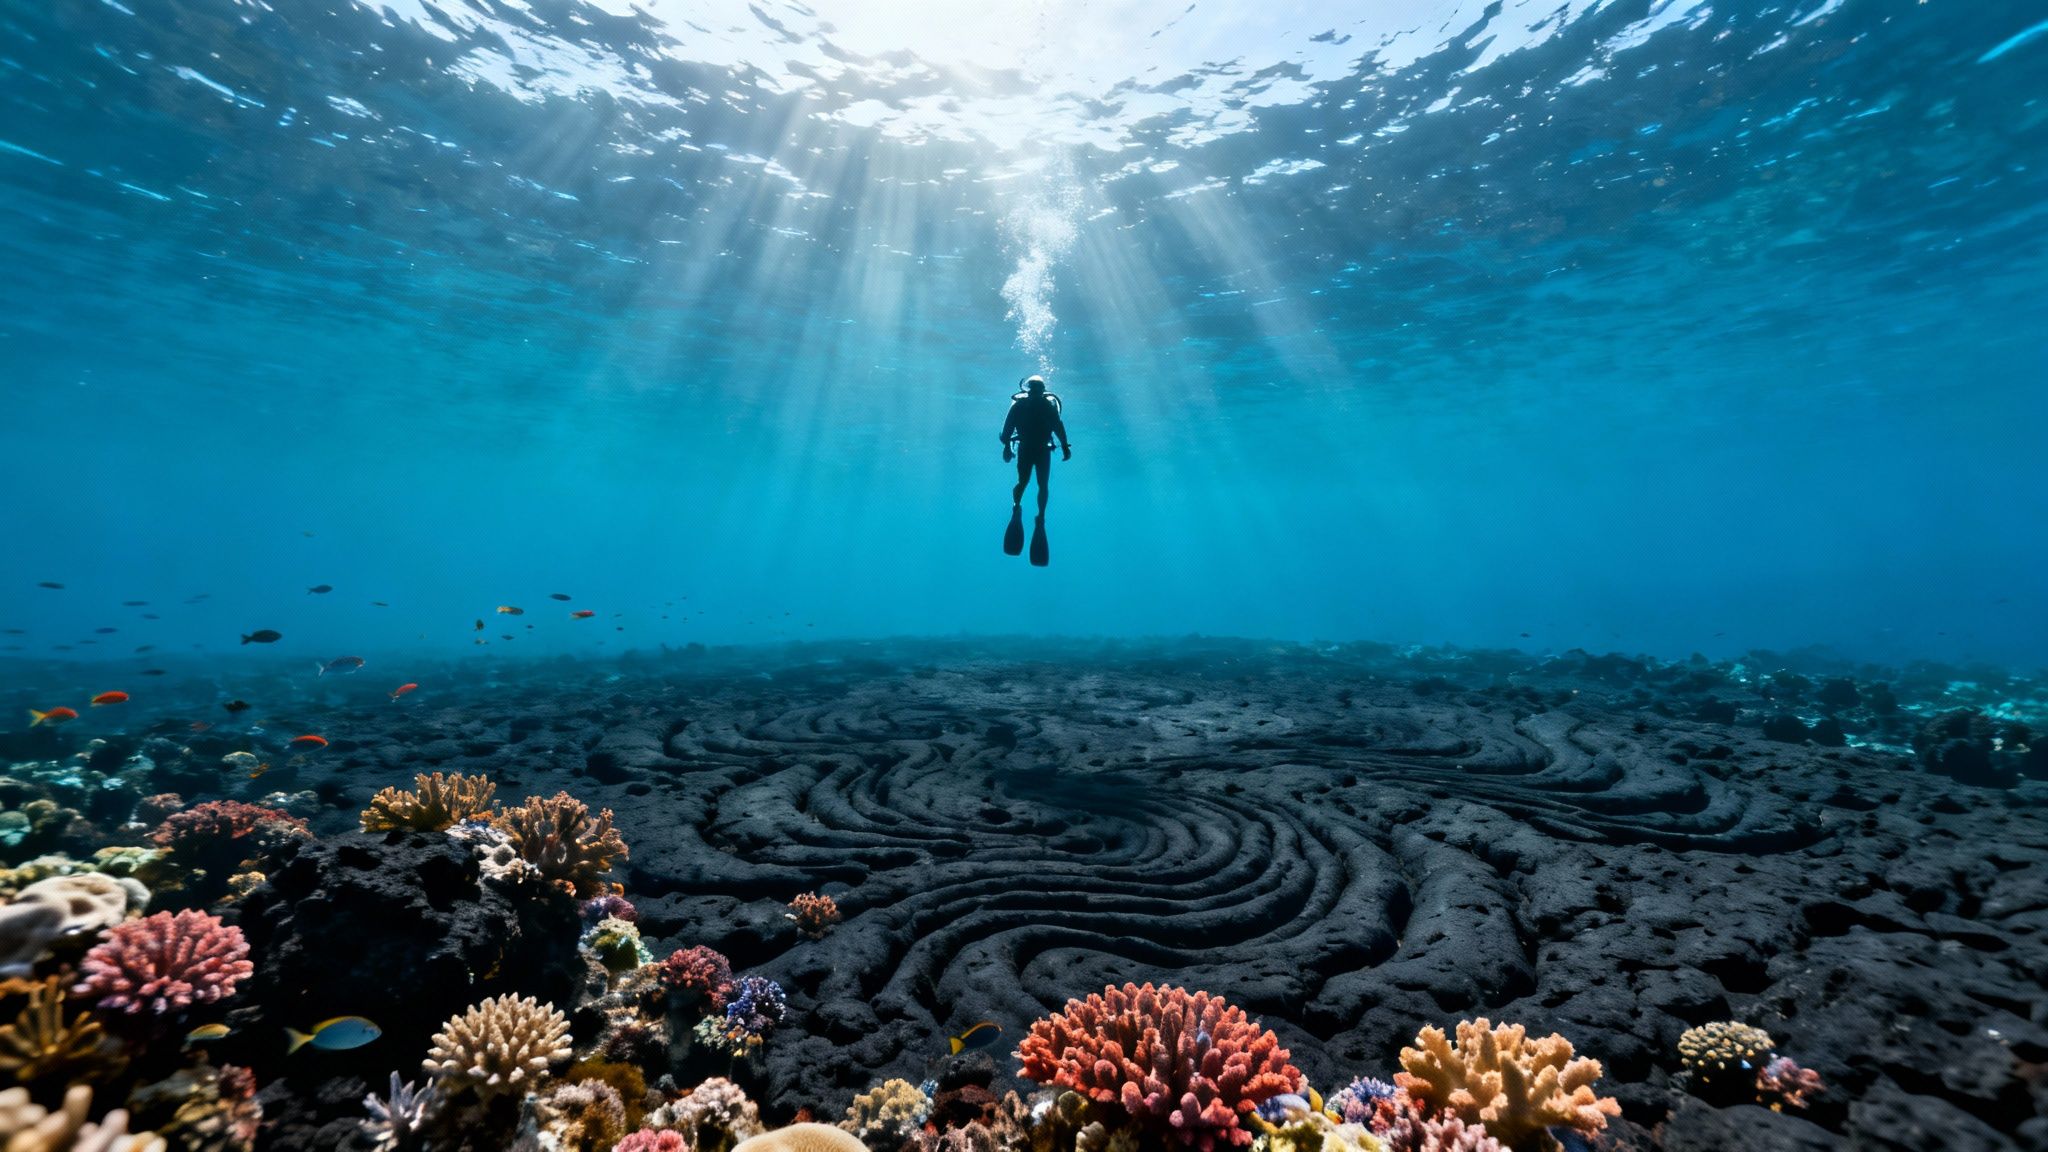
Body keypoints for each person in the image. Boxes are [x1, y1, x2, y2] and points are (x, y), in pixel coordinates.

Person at [998, 375, 1070, 566]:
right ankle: (1031, 513)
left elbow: (1006, 433)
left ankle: (1023, 510)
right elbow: (1058, 427)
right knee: (1036, 485)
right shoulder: (1044, 406)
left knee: (1032, 483)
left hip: (1032, 449)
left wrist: (1006, 447)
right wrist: (1064, 446)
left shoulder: (1021, 406)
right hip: (1036, 450)